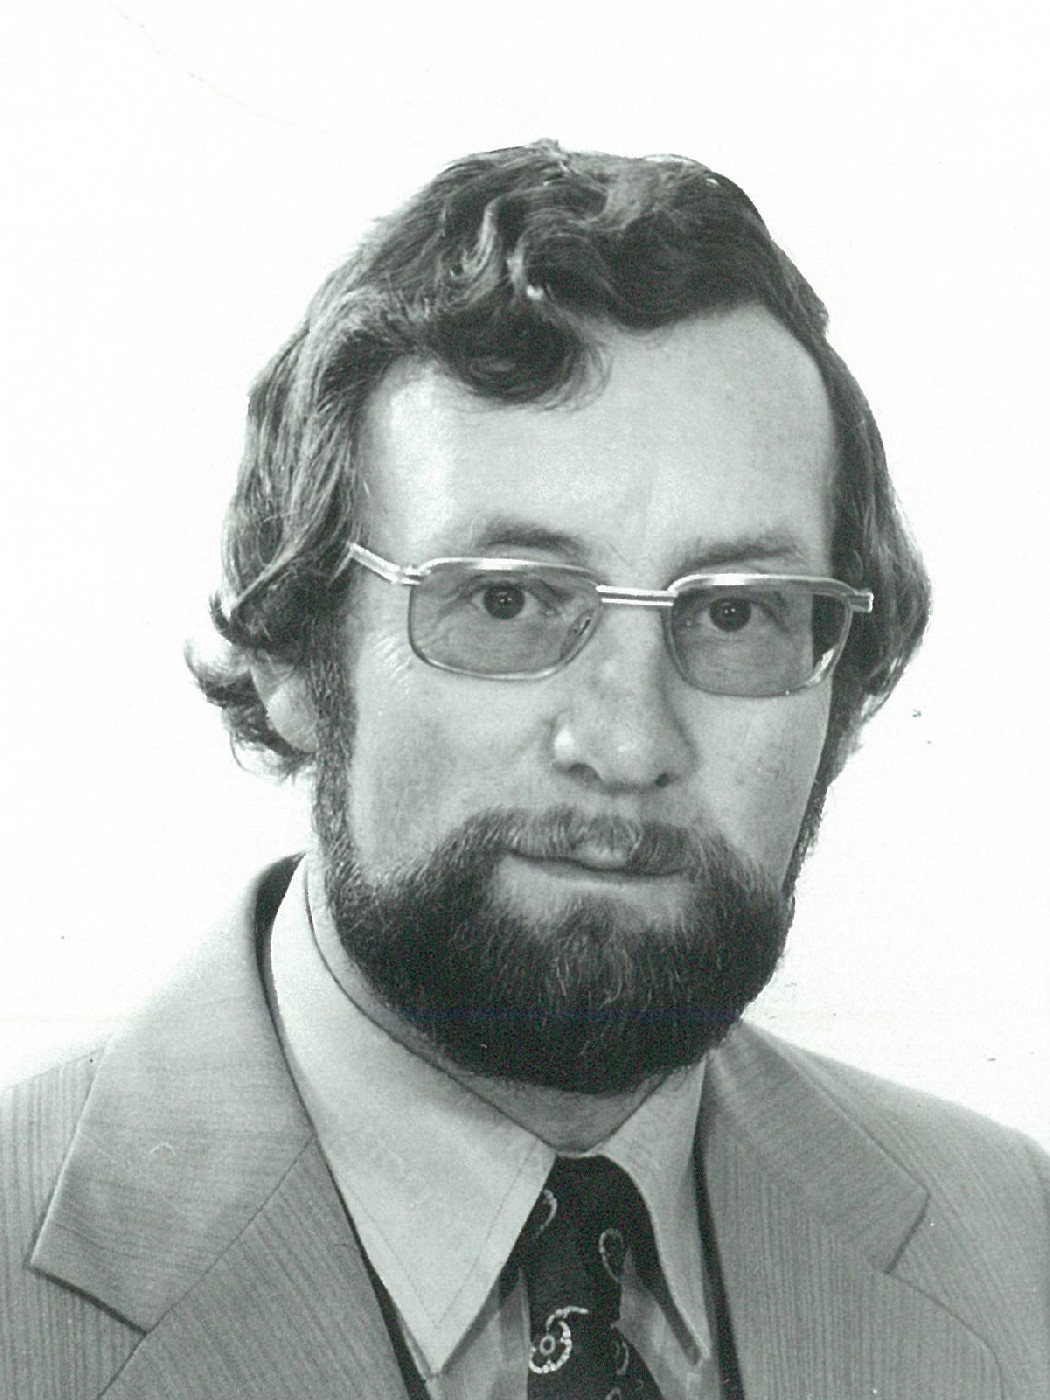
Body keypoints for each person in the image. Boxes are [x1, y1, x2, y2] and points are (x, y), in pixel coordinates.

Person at [2, 141, 1047, 1400]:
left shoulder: (1020, 1248)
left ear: (845, 688)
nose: (629, 743)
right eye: (505, 600)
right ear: (292, 652)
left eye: (735, 613)